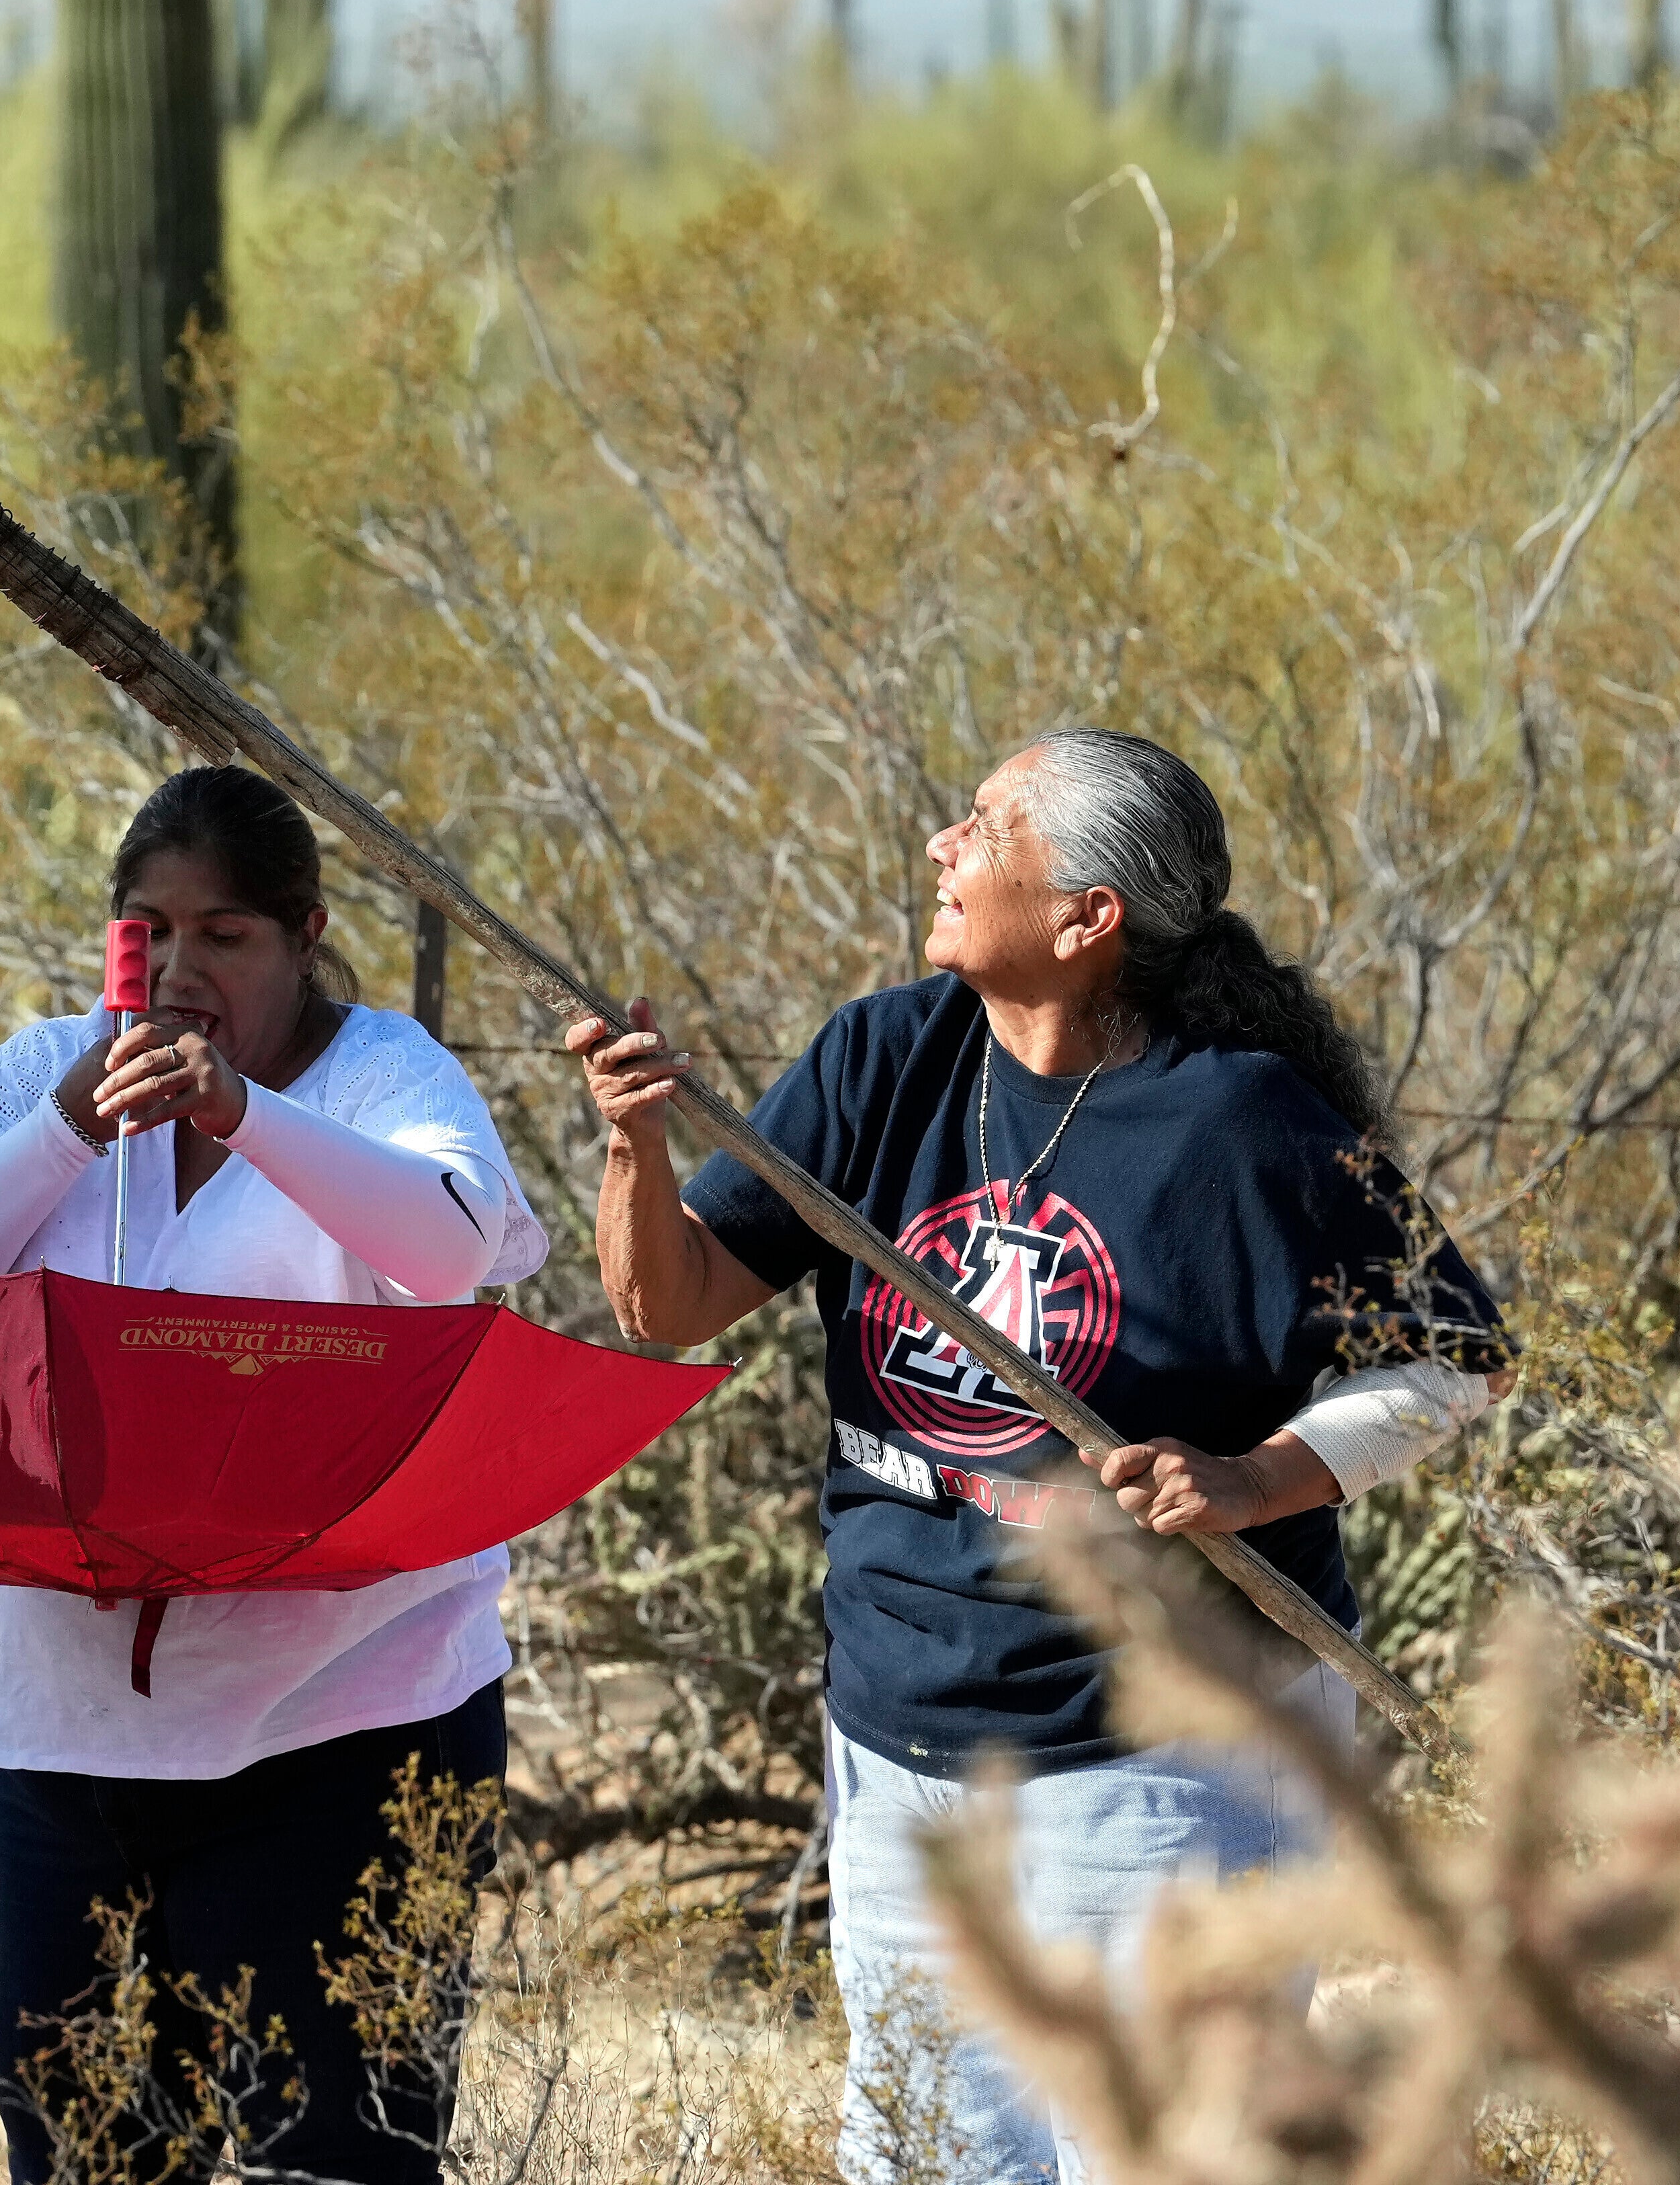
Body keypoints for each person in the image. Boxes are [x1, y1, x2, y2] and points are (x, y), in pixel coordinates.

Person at [566, 729, 1511, 2185]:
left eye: (986, 826)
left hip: (1161, 1754)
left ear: (1087, 918)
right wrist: (631, 1142)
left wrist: (1255, 1478)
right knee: (926, 2157)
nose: (942, 844)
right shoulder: (886, 1055)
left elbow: (1456, 1357)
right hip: (897, 1733)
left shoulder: (1242, 1119)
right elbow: (666, 1299)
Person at [0, 764, 542, 2185]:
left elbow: (451, 1244)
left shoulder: (382, 1070)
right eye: (148, 930)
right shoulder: (46, 1070)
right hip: (75, 1733)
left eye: (224, 934)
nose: (180, 968)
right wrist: (60, 1129)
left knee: (337, 2154)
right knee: (90, 2148)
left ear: (303, 934)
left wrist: (241, 1112)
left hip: (347, 1720)